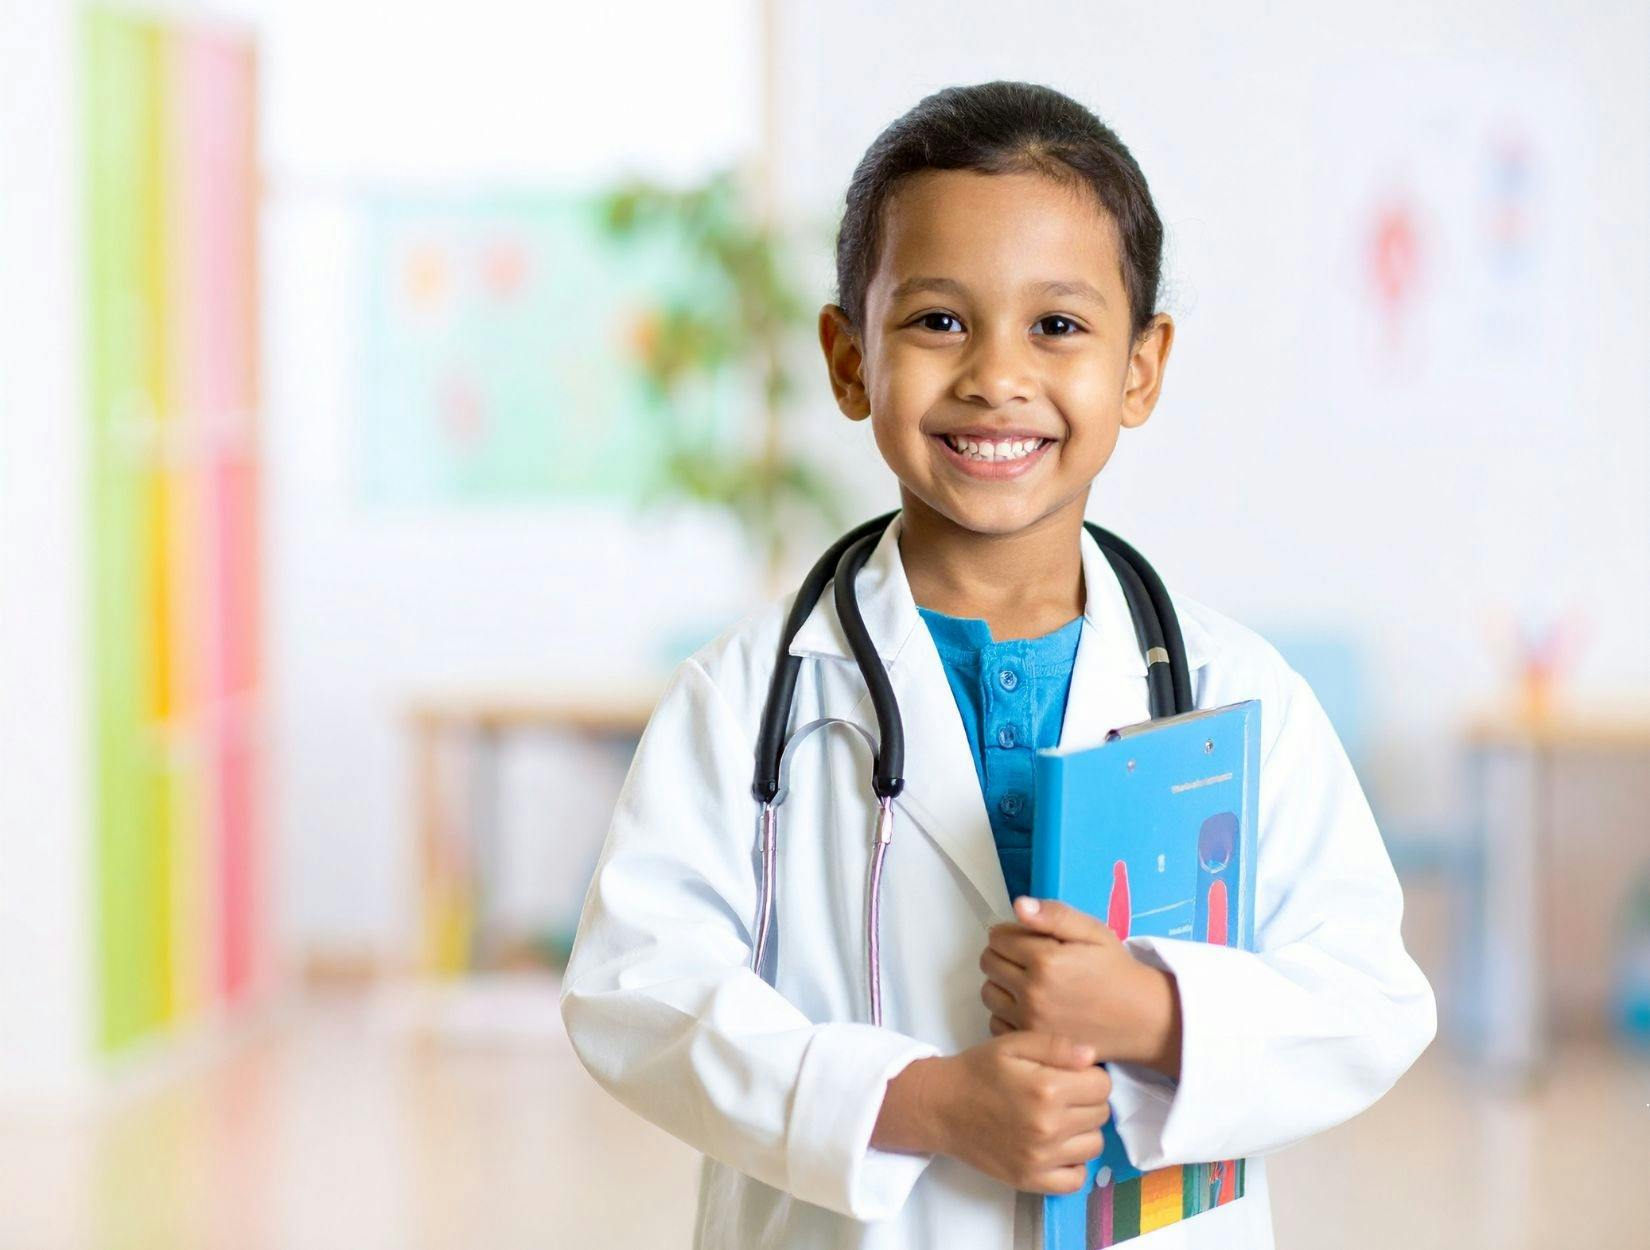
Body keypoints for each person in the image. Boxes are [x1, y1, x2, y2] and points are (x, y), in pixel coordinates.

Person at [560, 80, 1437, 1249]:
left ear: (1141, 366)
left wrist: (1158, 1011)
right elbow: (637, 992)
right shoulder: (749, 695)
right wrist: (915, 1103)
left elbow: (1372, 999)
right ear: (847, 356)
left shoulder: (1238, 691)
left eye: (1058, 326)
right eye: (938, 320)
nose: (995, 376)